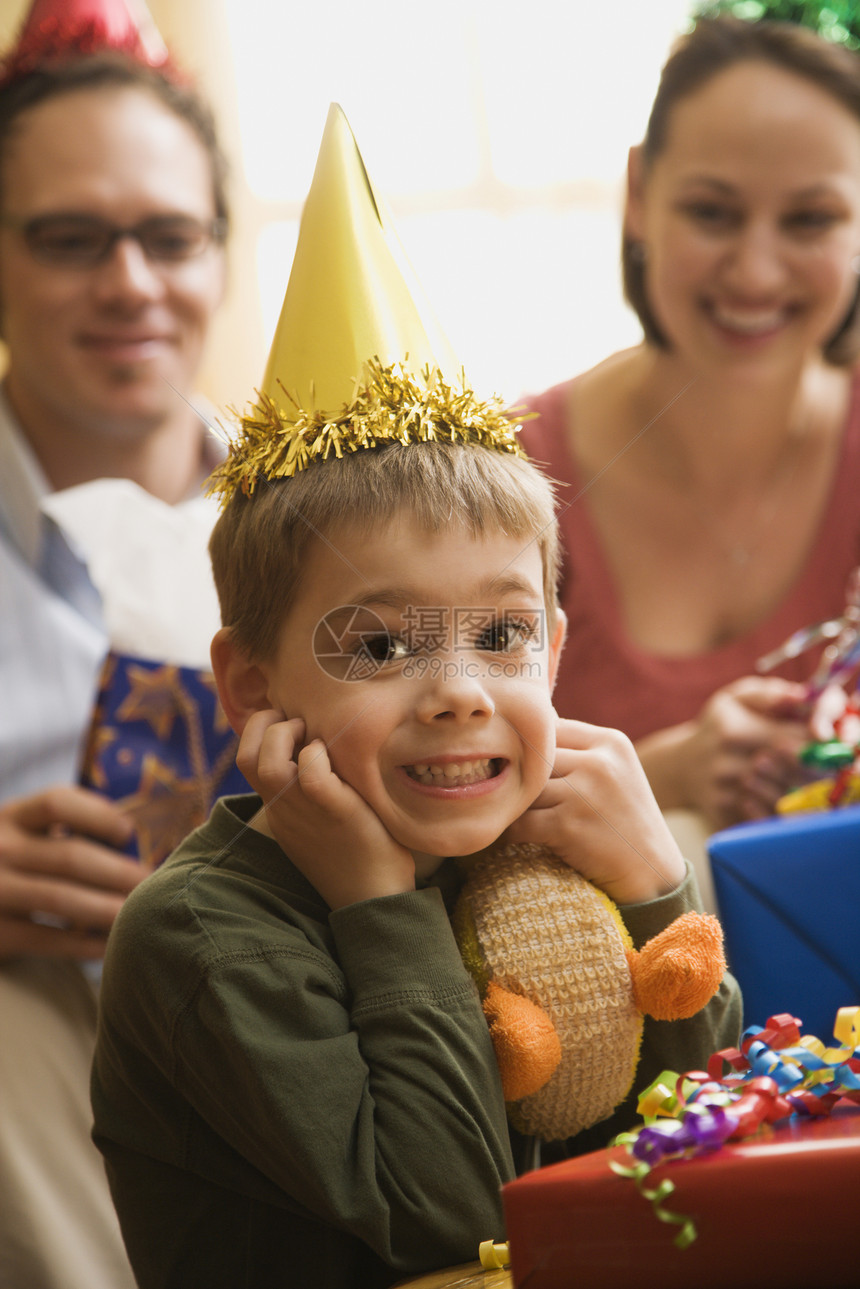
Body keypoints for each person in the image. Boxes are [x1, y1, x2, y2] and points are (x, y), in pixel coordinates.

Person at [90, 104, 741, 1289]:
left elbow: (687, 1176)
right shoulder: (202, 937)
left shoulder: (542, 872)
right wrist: (379, 908)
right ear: (250, 681)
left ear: (551, 648)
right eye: (379, 644)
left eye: (497, 634)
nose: (456, 694)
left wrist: (654, 891)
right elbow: (459, 1229)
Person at [0, 6, 231, 1285]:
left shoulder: (345, 524)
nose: (130, 283)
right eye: (71, 239)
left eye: (167, 236)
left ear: (218, 255)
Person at [518, 15, 860, 843]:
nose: (755, 270)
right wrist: (665, 771)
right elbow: (413, 807)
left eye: (810, 220)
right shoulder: (507, 471)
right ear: (639, 194)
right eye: (712, 212)